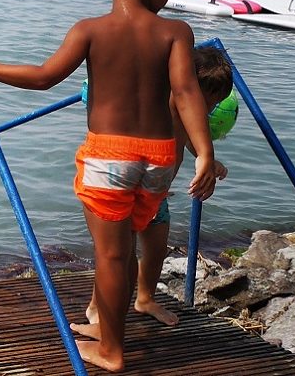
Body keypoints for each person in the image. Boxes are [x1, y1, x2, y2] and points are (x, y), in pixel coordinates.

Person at [0, 0, 218, 372]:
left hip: (109, 156)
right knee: (124, 249)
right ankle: (104, 327)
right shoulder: (176, 33)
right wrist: (203, 152)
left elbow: (43, 77)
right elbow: (187, 91)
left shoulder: (90, 30)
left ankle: (112, 350)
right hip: (160, 158)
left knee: (112, 255)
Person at [84, 48, 233, 329]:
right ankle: (96, 305)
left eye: (213, 107)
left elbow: (190, 141)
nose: (209, 112)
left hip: (157, 194)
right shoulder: (161, 104)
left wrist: (209, 162)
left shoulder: (189, 117)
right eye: (208, 104)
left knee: (156, 249)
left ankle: (145, 297)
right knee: (117, 252)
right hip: (133, 190)